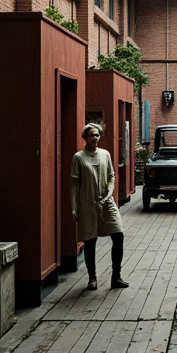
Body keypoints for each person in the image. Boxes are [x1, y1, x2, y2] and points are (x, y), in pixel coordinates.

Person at [70, 123, 128, 289]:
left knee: (118, 234)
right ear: (85, 138)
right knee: (90, 240)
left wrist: (110, 192)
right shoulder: (78, 157)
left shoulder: (105, 154)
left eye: (97, 135)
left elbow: (111, 176)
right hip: (87, 203)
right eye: (91, 135)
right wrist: (73, 206)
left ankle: (116, 276)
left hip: (107, 203)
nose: (95, 138)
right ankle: (92, 278)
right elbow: (73, 183)